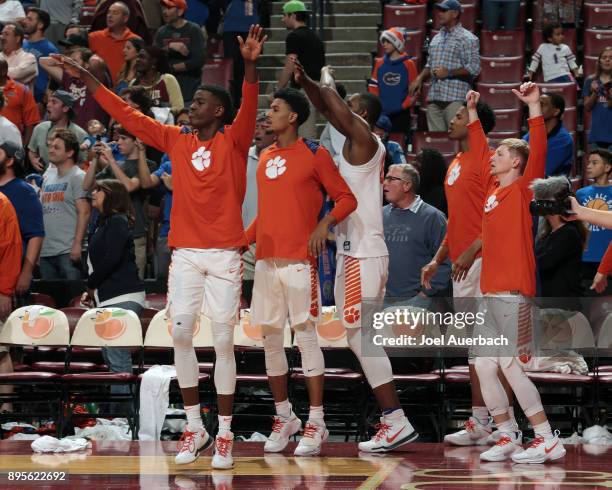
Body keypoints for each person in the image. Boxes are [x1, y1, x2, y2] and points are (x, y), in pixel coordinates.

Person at [51, 25, 266, 468]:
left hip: (225, 253)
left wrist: (250, 64)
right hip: (185, 251)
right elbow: (129, 116)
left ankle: (225, 433)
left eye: (201, 103)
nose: (191, 108)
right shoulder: (175, 140)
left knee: (224, 343)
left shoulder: (234, 138)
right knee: (182, 336)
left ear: (220, 111)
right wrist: (93, 82)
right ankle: (196, 427)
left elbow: (250, 102)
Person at [294, 60, 418, 453]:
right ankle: (393, 420)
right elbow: (327, 105)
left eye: (345, 110)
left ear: (359, 115)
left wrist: (325, 77)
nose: (333, 115)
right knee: (359, 337)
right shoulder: (352, 143)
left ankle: (395, 420)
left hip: (363, 254)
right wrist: (308, 81)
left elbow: (334, 103)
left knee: (362, 338)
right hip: (355, 253)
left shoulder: (365, 140)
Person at [245, 87, 357, 457]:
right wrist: (241, 239)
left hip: (299, 260)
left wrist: (324, 224)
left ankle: (317, 421)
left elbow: (346, 198)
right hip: (266, 259)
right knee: (271, 341)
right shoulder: (264, 155)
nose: (268, 113)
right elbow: (268, 211)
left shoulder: (315, 153)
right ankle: (284, 417)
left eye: (275, 109)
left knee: (305, 339)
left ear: (293, 117)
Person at [468, 83, 566, 464]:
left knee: (510, 365)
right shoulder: (494, 187)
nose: (494, 156)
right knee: (483, 365)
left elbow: (538, 150)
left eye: (502, 153)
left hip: (513, 290)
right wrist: (474, 114)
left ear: (518, 164)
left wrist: (533, 107)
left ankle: (544, 436)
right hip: (490, 290)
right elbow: (478, 154)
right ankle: (507, 432)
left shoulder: (526, 188)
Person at [421, 93, 515, 448]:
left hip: (483, 262)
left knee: (493, 347)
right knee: (476, 350)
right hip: (461, 264)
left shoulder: (486, 158)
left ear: (475, 126)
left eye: (461, 114)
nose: (453, 118)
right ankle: (480, 421)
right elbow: (459, 219)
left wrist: (473, 250)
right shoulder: (455, 161)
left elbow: (493, 217)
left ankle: (504, 423)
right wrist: (439, 257)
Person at [82, 179, 145, 409]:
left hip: (123, 297)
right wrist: (93, 290)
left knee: (118, 360)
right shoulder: (103, 222)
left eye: (99, 190)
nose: (94, 192)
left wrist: (90, 284)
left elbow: (112, 258)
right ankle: (118, 417)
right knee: (112, 360)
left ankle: (122, 421)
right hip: (108, 298)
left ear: (113, 196)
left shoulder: (117, 221)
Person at [83, 127, 156, 279]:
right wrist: (95, 159)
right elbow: (87, 186)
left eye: (123, 138)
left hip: (134, 232)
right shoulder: (116, 165)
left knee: (133, 280)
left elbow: (129, 186)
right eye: (118, 138)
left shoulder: (146, 165)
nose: (118, 142)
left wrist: (110, 160)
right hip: (109, 231)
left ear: (136, 142)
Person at [383, 163, 451, 309]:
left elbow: (446, 260)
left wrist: (425, 294)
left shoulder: (433, 217)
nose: (384, 183)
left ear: (407, 185)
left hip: (416, 302)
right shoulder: (381, 214)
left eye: (390, 179)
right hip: (382, 299)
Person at [409, 0, 480, 132]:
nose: (440, 14)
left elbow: (474, 68)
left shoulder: (468, 38)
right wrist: (419, 78)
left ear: (455, 14)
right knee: (437, 143)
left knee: (454, 141)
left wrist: (449, 73)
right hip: (434, 98)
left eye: (444, 10)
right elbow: (430, 64)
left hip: (455, 98)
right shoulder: (436, 38)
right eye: (439, 10)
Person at [39, 129, 90, 280]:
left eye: (56, 147)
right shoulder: (48, 178)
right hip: (46, 251)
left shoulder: (78, 177)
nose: (51, 150)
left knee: (72, 299)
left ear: (70, 152)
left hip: (67, 250)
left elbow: (84, 212)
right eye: (51, 146)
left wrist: (77, 244)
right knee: (48, 301)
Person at [532, 176, 587, 308]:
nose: (540, 203)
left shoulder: (569, 233)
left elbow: (542, 263)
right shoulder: (545, 235)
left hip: (565, 308)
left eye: (545, 199)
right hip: (549, 306)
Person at [0, 140, 44, 297]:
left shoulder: (24, 191)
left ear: (10, 161)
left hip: (13, 273)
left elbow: (36, 235)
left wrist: (26, 272)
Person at [277, 0, 325, 140]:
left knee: (305, 133)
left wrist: (278, 88)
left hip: (305, 89)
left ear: (293, 16)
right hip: (316, 87)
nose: (283, 19)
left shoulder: (294, 36)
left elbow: (290, 65)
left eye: (285, 15)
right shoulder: (315, 36)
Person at [242, 113, 275, 303]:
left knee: (272, 297)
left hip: (272, 239)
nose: (259, 132)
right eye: (257, 127)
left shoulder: (280, 159)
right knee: (248, 294)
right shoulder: (242, 157)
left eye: (265, 128)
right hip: (247, 237)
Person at [41, 47, 113, 129]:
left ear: (86, 65)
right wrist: (63, 60)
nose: (70, 65)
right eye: (70, 61)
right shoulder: (69, 79)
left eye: (75, 61)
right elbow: (43, 62)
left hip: (91, 134)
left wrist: (74, 65)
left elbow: (96, 61)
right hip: (72, 132)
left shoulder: (96, 81)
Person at [154, 0, 206, 103]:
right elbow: (153, 58)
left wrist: (170, 68)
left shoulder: (193, 30)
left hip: (189, 93)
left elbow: (198, 60)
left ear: (180, 11)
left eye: (169, 8)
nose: (164, 11)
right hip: (166, 95)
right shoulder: (161, 32)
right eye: (164, 8)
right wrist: (169, 47)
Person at [368, 28, 417, 136]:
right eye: (383, 41)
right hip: (381, 115)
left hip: (401, 115)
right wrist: (378, 107)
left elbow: (414, 90)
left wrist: (403, 106)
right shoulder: (379, 63)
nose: (384, 44)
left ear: (397, 43)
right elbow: (373, 87)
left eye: (388, 41)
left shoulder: (408, 64)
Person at [576, 149, 612, 292]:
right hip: (586, 258)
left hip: (608, 257)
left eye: (594, 162)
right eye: (588, 162)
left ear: (608, 167)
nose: (589, 166)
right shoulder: (581, 193)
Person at [28, 90, 88, 171]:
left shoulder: (80, 134)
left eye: (54, 102)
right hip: (43, 178)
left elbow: (83, 162)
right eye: (48, 101)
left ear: (65, 108)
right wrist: (33, 160)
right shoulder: (40, 128)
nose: (48, 105)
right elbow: (32, 151)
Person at [0, 190, 22, 412]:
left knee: (0, 351)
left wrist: (5, 291)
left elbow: (11, 247)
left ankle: (5, 409)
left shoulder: (2, 203)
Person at [89, 1, 141, 85]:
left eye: (115, 13)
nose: (110, 16)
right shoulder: (93, 37)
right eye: (108, 12)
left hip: (124, 90)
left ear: (125, 18)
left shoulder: (135, 40)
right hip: (99, 90)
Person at [523, 92, 573, 176]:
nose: (537, 107)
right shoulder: (531, 133)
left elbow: (543, 170)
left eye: (542, 104)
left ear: (556, 112)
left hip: (550, 187)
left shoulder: (563, 140)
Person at [223, 0, 261, 105]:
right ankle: (234, 100)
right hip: (230, 30)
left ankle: (245, 97)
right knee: (232, 68)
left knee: (247, 65)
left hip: (250, 29)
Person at [22, 7, 59, 104]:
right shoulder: (21, 43)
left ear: (40, 25)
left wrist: (44, 101)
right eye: (26, 18)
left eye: (29, 19)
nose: (25, 21)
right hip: (18, 93)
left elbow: (54, 77)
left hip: (36, 99)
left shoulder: (50, 49)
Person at [132, 45, 184, 113]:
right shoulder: (134, 83)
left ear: (154, 61)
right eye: (138, 57)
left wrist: (154, 114)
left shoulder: (167, 79)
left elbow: (179, 107)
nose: (137, 60)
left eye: (142, 57)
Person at [0, 59, 40, 145]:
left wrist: (24, 147)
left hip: (12, 143)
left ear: (3, 71)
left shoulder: (22, 90)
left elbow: (31, 122)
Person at [583, 47, 612, 150]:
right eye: (604, 57)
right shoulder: (590, 80)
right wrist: (595, 93)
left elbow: (609, 105)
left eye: (611, 58)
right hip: (597, 135)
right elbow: (587, 107)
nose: (607, 60)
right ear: (599, 61)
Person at [0, 23, 37, 87]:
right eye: (1, 34)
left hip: (18, 96)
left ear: (17, 39)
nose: (2, 37)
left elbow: (17, 74)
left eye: (6, 34)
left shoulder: (29, 58)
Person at [416, 148, 448, 216]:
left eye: (419, 161)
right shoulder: (414, 187)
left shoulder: (440, 193)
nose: (413, 163)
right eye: (415, 160)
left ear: (431, 166)